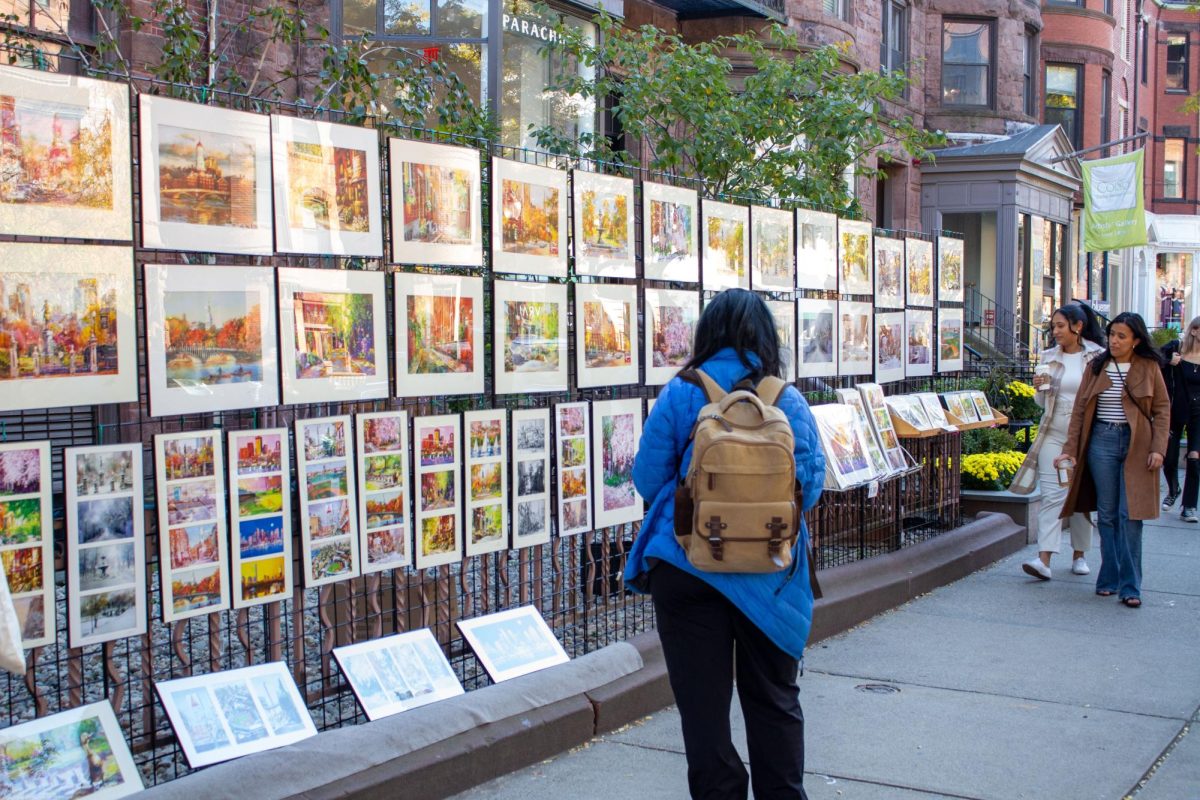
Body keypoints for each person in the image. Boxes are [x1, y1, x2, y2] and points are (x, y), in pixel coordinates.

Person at [625, 288, 824, 799]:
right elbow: (811, 489)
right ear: (765, 337)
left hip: (689, 568)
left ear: (708, 333)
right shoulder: (789, 400)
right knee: (775, 703)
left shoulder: (681, 392)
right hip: (771, 575)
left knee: (703, 715)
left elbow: (647, 480)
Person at [1055, 312, 1170, 608]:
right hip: (1101, 443)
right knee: (1106, 514)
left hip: (1138, 445)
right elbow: (1080, 410)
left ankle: (1131, 586)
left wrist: (1158, 448)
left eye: (1122, 336)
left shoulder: (1148, 367)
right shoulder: (1097, 366)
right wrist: (1070, 449)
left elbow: (1162, 409)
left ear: (1136, 340)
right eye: (1112, 335)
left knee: (1129, 516)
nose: (1114, 341)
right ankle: (1108, 577)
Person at [1009, 302, 1104, 579]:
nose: (1056, 332)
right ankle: (1044, 560)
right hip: (1054, 432)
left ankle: (1080, 554)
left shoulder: (1097, 357)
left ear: (1078, 326)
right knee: (1053, 495)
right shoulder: (1049, 357)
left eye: (1061, 326)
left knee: (1080, 496)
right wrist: (1039, 389)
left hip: (1085, 436)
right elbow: (1042, 402)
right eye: (1053, 327)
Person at [1158, 316, 1200, 520]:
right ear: (1194, 330)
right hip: (1175, 410)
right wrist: (1168, 361)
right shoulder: (1176, 347)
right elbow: (1152, 360)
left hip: (1198, 413)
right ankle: (1174, 490)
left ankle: (1190, 506)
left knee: (1195, 457)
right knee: (1169, 457)